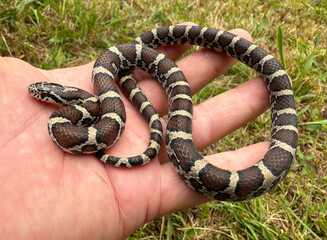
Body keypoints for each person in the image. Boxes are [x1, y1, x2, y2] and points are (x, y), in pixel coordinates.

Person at [0, 23, 274, 239]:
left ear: (58, 98)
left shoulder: (97, 90)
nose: (38, 93)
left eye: (43, 93)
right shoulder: (92, 103)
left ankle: (276, 82)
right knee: (171, 84)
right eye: (42, 93)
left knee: (178, 83)